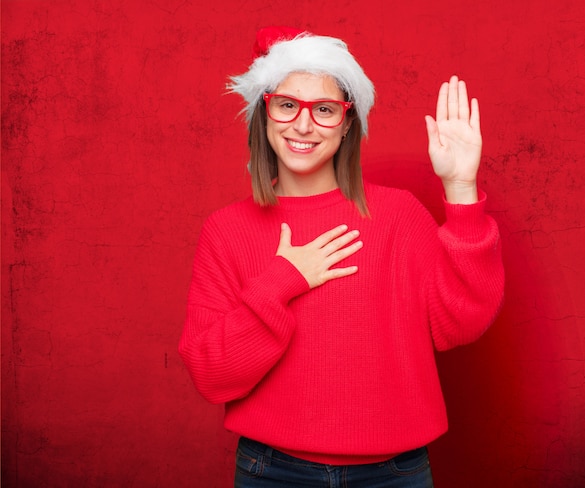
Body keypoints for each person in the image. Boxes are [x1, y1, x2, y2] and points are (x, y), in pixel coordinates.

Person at [179, 26, 504, 487]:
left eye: (325, 110)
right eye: (288, 105)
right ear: (263, 113)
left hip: (393, 474)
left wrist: (461, 188)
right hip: (271, 472)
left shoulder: (398, 216)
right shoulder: (227, 230)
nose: (304, 125)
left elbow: (461, 323)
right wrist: (281, 281)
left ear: (349, 122)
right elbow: (212, 375)